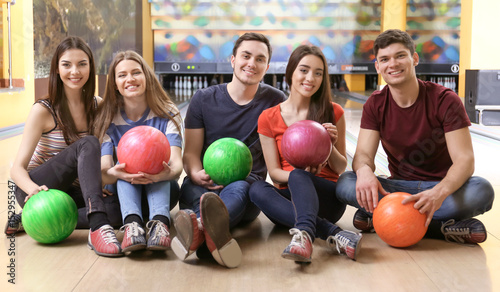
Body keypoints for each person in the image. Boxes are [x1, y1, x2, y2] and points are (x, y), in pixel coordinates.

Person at [335, 29, 495, 244]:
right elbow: (363, 154)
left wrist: (438, 193)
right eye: (385, 59)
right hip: (397, 188)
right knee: (346, 182)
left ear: (414, 58)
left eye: (400, 55)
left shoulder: (445, 100)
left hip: (441, 188)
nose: (393, 64)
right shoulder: (376, 103)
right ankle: (440, 228)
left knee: (481, 190)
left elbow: (465, 160)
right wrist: (364, 172)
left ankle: (387, 217)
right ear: (378, 66)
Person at [172, 32, 286, 268]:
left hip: (244, 189)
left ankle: (199, 231)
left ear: (266, 66)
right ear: (233, 59)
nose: (251, 64)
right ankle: (213, 237)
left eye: (260, 59)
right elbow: (191, 153)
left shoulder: (275, 100)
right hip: (203, 182)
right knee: (200, 196)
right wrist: (195, 173)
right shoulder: (203, 99)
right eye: (246, 56)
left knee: (241, 187)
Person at [8, 36, 122, 257]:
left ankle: (31, 219)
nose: (75, 71)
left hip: (75, 192)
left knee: (119, 209)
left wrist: (102, 184)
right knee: (87, 143)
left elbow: (100, 164)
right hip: (38, 188)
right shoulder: (43, 110)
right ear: (57, 69)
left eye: (82, 64)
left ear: (90, 67)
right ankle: (97, 225)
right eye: (66, 64)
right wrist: (34, 191)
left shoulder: (97, 106)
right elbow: (17, 169)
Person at [249, 45, 362, 264]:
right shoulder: (268, 117)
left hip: (327, 198)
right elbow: (274, 173)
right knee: (255, 188)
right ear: (291, 71)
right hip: (290, 200)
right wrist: (298, 174)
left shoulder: (333, 111)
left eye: (318, 73)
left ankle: (305, 235)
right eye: (304, 70)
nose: (311, 78)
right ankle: (334, 234)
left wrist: (330, 146)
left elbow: (340, 168)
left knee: (299, 175)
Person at [94, 50, 183, 254]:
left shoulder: (168, 113)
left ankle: (160, 224)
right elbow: (105, 171)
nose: (130, 79)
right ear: (114, 83)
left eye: (136, 72)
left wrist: (161, 174)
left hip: (164, 188)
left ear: (146, 77)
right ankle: (132, 226)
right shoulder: (108, 118)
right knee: (126, 167)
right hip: (123, 194)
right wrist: (119, 173)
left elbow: (177, 166)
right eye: (122, 75)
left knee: (157, 164)